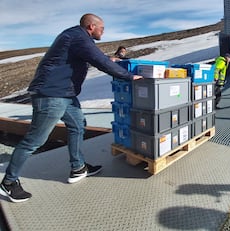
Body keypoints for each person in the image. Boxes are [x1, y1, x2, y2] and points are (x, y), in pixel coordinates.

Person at [0, 13, 142, 203]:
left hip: (64, 94)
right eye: (102, 28)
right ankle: (8, 182)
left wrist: (111, 59)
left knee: (78, 126)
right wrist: (129, 77)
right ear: (91, 26)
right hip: (52, 94)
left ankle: (78, 167)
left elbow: (95, 57)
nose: (103, 32)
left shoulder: (77, 37)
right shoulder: (78, 37)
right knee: (35, 140)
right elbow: (98, 61)